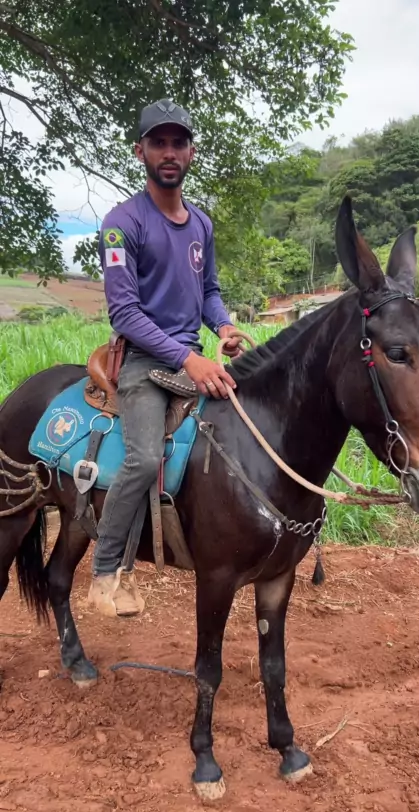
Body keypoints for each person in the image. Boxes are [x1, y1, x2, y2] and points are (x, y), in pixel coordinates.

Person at [87, 98, 241, 618]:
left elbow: (209, 291)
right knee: (146, 456)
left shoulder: (202, 225)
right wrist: (187, 358)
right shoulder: (121, 224)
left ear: (191, 152)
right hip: (143, 363)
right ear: (141, 152)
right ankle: (106, 572)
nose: (169, 152)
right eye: (159, 143)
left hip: (191, 357)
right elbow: (125, 313)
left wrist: (223, 326)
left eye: (178, 143)